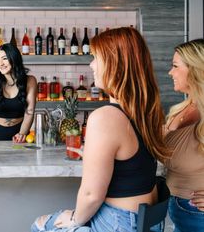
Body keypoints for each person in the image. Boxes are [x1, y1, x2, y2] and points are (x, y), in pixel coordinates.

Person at [31, 27, 170, 232]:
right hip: (146, 222)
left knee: (40, 225)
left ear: (115, 64)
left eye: (96, 57)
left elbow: (91, 195)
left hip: (118, 223)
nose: (91, 64)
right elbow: (132, 162)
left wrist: (74, 220)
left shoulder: (105, 117)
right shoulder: (146, 112)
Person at [164, 38, 204, 232]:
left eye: (175, 66)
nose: (170, 72)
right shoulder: (183, 108)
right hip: (181, 210)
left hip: (199, 214)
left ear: (196, 69)